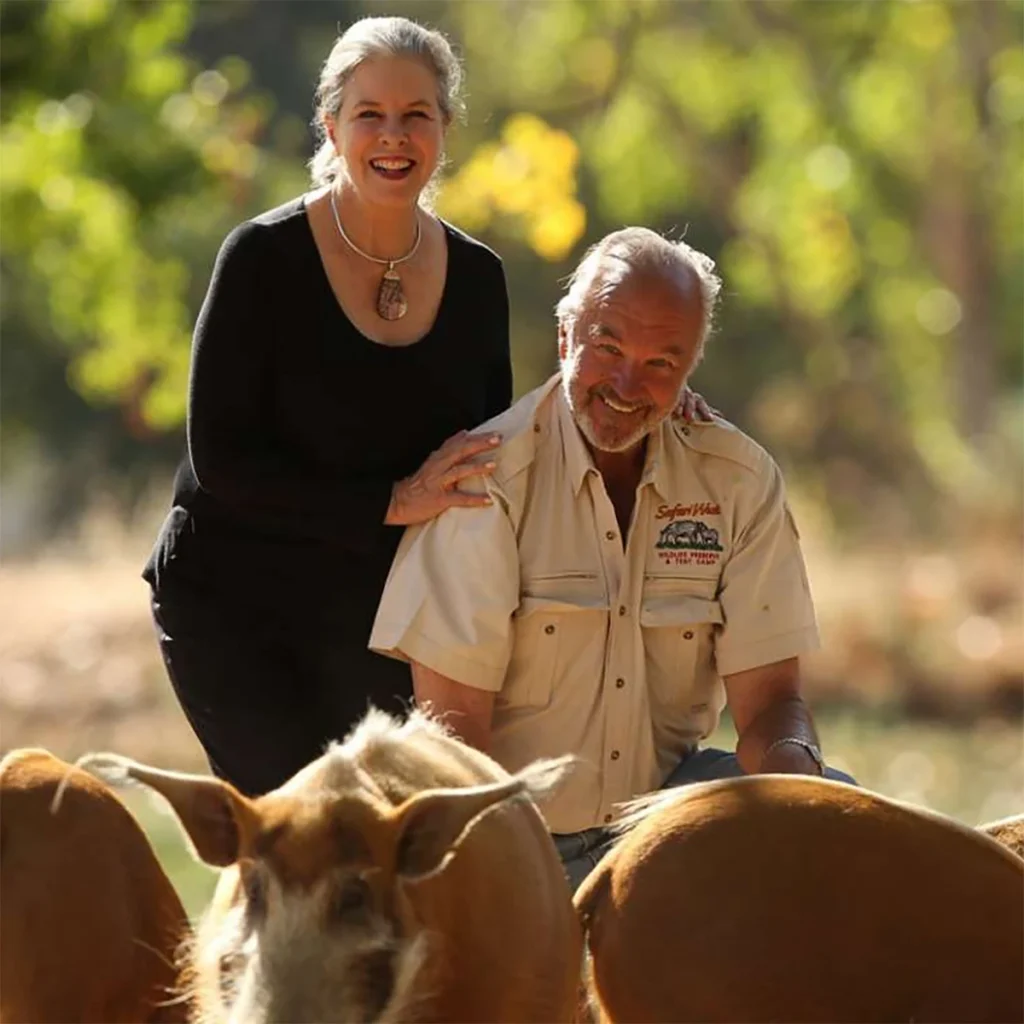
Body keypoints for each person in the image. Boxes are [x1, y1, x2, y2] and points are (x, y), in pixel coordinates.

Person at [370, 227, 854, 890]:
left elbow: (770, 701)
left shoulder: (736, 479)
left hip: (669, 825)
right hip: (520, 834)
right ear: (566, 338)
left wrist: (798, 775)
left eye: (662, 363)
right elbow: (453, 744)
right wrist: (513, 890)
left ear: (689, 371)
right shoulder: (486, 479)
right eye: (608, 347)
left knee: (851, 819)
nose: (627, 383)